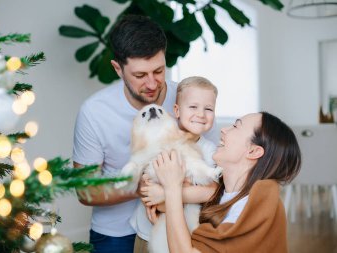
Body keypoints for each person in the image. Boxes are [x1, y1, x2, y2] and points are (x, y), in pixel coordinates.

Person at [72, 15, 218, 253]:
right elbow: (85, 190)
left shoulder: (187, 100)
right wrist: (143, 189)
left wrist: (172, 191)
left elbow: (209, 169)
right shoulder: (94, 112)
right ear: (117, 68)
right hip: (115, 234)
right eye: (140, 75)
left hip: (178, 226)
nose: (152, 83)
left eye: (158, 71)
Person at [143, 112, 301, 253]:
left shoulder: (255, 210)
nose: (224, 130)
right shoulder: (222, 191)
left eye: (235, 126)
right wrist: (170, 226)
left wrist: (172, 188)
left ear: (253, 151)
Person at [131, 76, 219, 253]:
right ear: (177, 110)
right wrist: (186, 191)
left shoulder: (210, 150)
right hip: (147, 235)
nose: (201, 114)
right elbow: (153, 199)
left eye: (208, 109)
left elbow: (213, 192)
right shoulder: (159, 139)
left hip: (184, 236)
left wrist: (165, 193)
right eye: (193, 107)